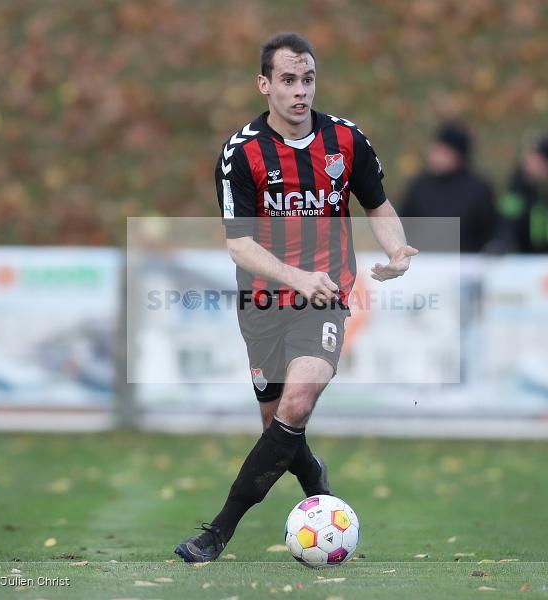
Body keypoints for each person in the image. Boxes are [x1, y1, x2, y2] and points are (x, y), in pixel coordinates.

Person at [174, 32, 418, 562]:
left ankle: (217, 532)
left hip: (326, 294)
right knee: (279, 430)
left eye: (307, 79)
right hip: (263, 304)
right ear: (265, 85)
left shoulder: (347, 140)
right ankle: (323, 496)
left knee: (298, 402)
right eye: (287, 80)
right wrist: (294, 277)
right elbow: (238, 244)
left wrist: (397, 251)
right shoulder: (242, 153)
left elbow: (377, 205)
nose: (299, 91)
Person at [399, 122, 497, 252]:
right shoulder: (419, 186)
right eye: (436, 149)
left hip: (466, 264)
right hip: (424, 263)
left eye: (443, 151)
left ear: (458, 156)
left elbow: (488, 232)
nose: (435, 155)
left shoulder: (479, 189)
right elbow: (403, 226)